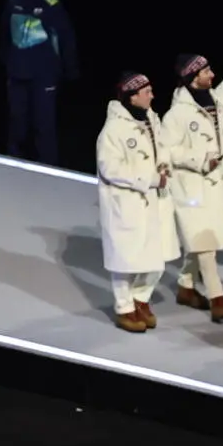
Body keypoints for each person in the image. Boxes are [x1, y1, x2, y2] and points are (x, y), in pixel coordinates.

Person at [93, 74, 176, 333]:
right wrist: (148, 179)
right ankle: (124, 308)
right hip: (127, 202)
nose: (152, 96)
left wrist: (163, 163)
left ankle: (140, 299)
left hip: (154, 199)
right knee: (125, 260)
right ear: (132, 97)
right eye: (147, 92)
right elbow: (109, 169)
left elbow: (161, 145)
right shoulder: (113, 131)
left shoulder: (151, 117)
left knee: (157, 258)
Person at [160, 54, 223, 319]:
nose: (212, 75)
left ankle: (185, 286)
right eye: (206, 71)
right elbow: (168, 151)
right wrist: (199, 160)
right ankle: (217, 297)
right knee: (205, 242)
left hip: (218, 185)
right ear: (193, 78)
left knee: (206, 239)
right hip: (192, 186)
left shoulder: (219, 103)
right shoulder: (177, 115)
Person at [0, 0, 78, 163]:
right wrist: (7, 61)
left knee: (44, 125)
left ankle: (49, 169)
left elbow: (67, 38)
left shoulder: (51, 4)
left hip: (45, 75)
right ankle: (13, 163)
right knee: (17, 122)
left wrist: (70, 69)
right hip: (18, 74)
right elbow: (3, 35)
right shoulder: (13, 1)